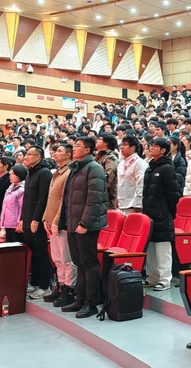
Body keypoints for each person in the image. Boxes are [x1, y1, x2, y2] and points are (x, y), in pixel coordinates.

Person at [60, 136, 108, 318]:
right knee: (79, 262)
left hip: (86, 225)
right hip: (73, 223)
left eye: (78, 146)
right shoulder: (75, 167)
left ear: (87, 150)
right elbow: (69, 199)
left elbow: (94, 199)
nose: (74, 148)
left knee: (89, 262)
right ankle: (80, 299)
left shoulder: (94, 168)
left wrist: (84, 222)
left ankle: (91, 303)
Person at [142, 138, 182, 291]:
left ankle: (165, 279)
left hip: (162, 214)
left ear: (163, 150)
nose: (151, 148)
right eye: (151, 145)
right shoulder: (150, 168)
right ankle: (152, 277)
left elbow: (174, 194)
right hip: (149, 213)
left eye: (155, 146)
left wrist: (168, 211)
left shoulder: (167, 168)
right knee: (151, 247)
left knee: (163, 248)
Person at [43, 144, 78, 307]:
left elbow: (64, 201)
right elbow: (50, 198)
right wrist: (46, 218)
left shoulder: (69, 173)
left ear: (69, 155)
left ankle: (69, 289)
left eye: (59, 151)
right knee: (57, 258)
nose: (55, 153)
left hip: (62, 222)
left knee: (66, 258)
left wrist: (56, 221)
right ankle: (61, 285)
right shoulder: (57, 172)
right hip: (52, 220)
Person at [20, 146, 54, 300]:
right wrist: (23, 218)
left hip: (37, 220)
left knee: (41, 253)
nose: (26, 157)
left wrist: (36, 219)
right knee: (32, 253)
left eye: (29, 154)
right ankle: (34, 283)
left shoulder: (44, 173)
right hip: (27, 219)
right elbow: (27, 199)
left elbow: (43, 198)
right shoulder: (30, 173)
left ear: (38, 157)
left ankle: (45, 286)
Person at [117, 135, 148, 215]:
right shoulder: (121, 164)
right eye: (121, 145)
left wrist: (138, 204)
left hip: (133, 206)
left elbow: (141, 184)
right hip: (121, 204)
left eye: (125, 145)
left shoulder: (140, 163)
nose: (121, 147)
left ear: (133, 147)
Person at [0, 164, 27, 242]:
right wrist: (2, 222)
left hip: (16, 225)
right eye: (10, 174)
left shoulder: (22, 190)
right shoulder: (10, 188)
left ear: (20, 174)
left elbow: (22, 208)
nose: (10, 176)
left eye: (13, 174)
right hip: (8, 224)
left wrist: (19, 223)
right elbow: (5, 207)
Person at [95, 135, 118, 211]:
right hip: (97, 196)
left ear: (106, 143)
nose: (97, 141)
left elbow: (108, 179)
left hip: (106, 199)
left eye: (100, 139)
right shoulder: (99, 156)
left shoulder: (111, 158)